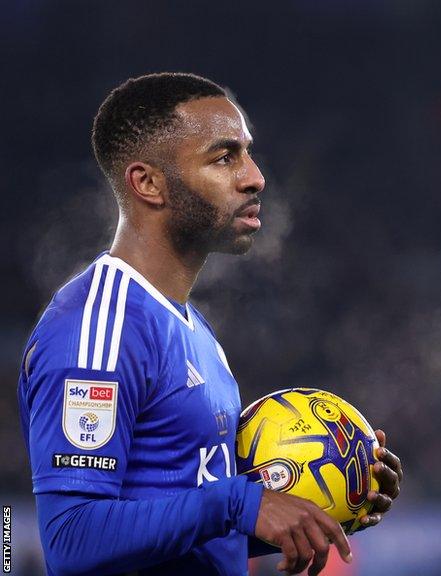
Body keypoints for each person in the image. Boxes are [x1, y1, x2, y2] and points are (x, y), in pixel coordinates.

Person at [17, 73, 403, 576]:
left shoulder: (194, 329)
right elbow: (70, 540)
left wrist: (327, 512)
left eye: (246, 153)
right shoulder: (101, 327)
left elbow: (180, 538)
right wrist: (238, 504)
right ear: (148, 183)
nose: (255, 177)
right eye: (224, 158)